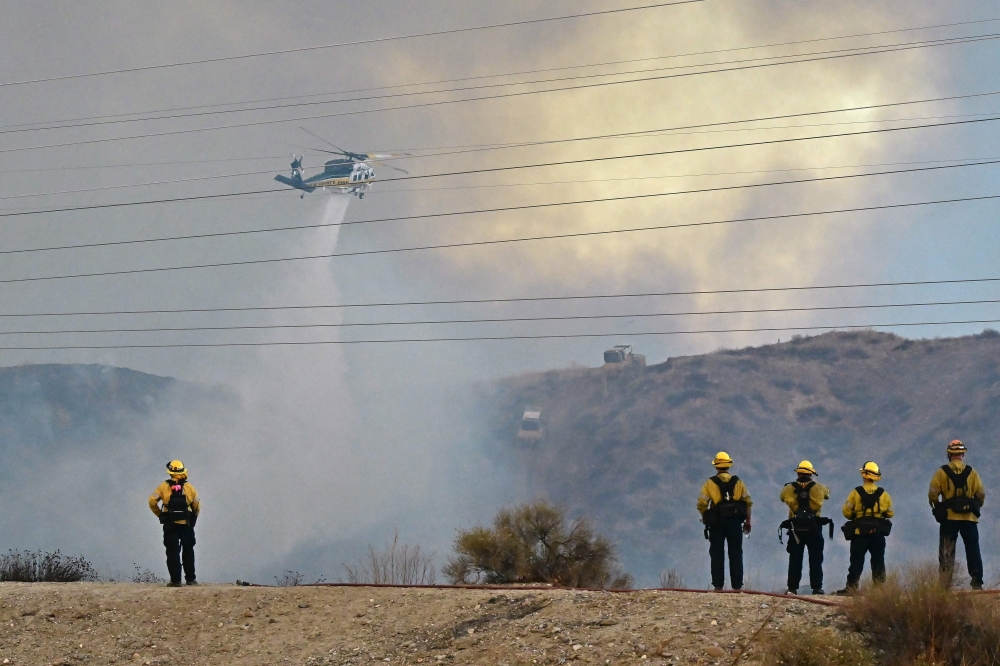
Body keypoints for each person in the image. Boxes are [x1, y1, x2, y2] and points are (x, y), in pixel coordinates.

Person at [929, 439, 986, 589]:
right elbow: (980, 494)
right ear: (962, 454)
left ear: (949, 454)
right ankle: (977, 582)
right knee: (973, 549)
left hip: (949, 518)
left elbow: (933, 494)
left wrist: (938, 507)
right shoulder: (972, 472)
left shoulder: (941, 472)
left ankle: (945, 585)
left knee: (947, 551)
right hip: (969, 518)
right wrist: (975, 506)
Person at [697, 451, 752, 591]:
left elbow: (702, 503)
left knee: (716, 553)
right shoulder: (738, 482)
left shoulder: (710, 483)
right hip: (735, 522)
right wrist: (748, 521)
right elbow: (747, 502)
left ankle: (718, 586)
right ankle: (737, 586)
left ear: (716, 466)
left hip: (716, 522)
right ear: (728, 465)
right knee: (736, 553)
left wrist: (706, 517)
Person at [837, 461, 893, 594]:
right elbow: (890, 512)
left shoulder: (856, 493)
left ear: (864, 475)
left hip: (859, 534)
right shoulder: (883, 494)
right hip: (877, 534)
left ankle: (851, 587)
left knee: (856, 561)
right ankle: (879, 590)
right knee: (878, 562)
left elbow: (846, 512)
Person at [779, 460, 830, 595]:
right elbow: (827, 494)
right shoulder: (818, 488)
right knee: (815, 558)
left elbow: (781, 497)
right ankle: (817, 587)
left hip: (795, 528)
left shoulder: (788, 488)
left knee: (795, 558)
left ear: (798, 474)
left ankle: (792, 588)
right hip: (814, 527)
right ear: (811, 474)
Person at [148, 460, 201, 587]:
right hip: (186, 523)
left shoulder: (163, 487)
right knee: (188, 549)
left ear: (170, 472)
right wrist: (193, 518)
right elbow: (197, 505)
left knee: (172, 551)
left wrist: (160, 515)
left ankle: (175, 580)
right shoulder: (189, 487)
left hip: (170, 524)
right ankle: (190, 579)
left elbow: (152, 501)